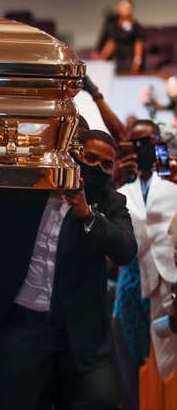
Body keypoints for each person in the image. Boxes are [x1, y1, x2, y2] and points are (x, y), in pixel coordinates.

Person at [0, 130, 137, 409]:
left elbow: (126, 250)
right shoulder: (32, 187)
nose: (96, 168)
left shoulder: (110, 202)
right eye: (89, 158)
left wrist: (87, 215)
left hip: (80, 333)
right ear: (73, 154)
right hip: (24, 324)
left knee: (101, 398)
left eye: (106, 164)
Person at [118, 120, 177, 405]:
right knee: (135, 357)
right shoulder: (121, 186)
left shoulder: (170, 181)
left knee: (168, 359)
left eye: (147, 142)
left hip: (169, 284)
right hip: (132, 284)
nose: (141, 149)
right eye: (135, 143)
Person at [96, 0, 144, 74]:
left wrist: (137, 60)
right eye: (123, 6)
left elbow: (139, 44)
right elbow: (109, 43)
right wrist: (101, 60)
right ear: (118, 8)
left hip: (129, 59)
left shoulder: (136, 27)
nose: (126, 9)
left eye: (128, 7)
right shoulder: (111, 25)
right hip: (115, 58)